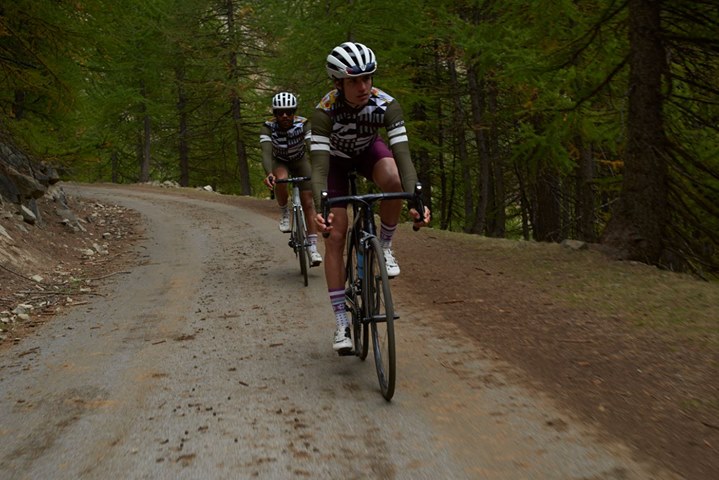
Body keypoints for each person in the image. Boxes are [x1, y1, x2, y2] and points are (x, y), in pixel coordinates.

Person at [310, 42, 430, 352]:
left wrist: (416, 200)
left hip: (367, 152)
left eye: (367, 78)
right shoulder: (324, 111)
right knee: (336, 235)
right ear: (339, 83)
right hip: (335, 162)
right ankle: (341, 323)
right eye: (354, 81)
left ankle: (385, 246)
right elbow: (319, 167)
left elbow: (403, 156)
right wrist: (322, 207)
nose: (363, 87)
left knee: (393, 178)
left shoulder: (386, 105)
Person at [260, 91, 322, 266]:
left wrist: (318, 169)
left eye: (289, 112)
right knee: (281, 179)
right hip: (280, 161)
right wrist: (268, 173)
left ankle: (313, 247)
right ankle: (284, 212)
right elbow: (266, 153)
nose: (285, 116)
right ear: (275, 114)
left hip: (300, 160)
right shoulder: (267, 127)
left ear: (294, 112)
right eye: (280, 113)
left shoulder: (304, 124)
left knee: (308, 202)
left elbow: (311, 147)